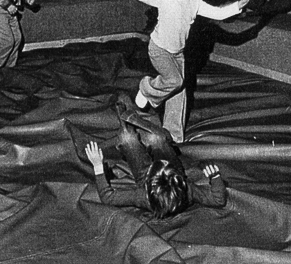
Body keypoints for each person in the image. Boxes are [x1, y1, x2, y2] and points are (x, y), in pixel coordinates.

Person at [121, 0, 253, 143]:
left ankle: (173, 134)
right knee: (175, 81)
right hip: (159, 50)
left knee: (179, 92)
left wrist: (239, 4)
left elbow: (218, 13)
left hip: (178, 54)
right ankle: (146, 87)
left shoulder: (194, 1)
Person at [84, 94, 226, 219]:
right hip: (166, 176)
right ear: (179, 182)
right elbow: (218, 200)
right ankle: (143, 125)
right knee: (156, 139)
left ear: (150, 184)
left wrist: (97, 166)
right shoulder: (187, 191)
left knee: (127, 139)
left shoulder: (142, 196)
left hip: (144, 176)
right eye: (166, 164)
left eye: (159, 164)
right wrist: (215, 177)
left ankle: (126, 118)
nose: (162, 161)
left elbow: (108, 198)